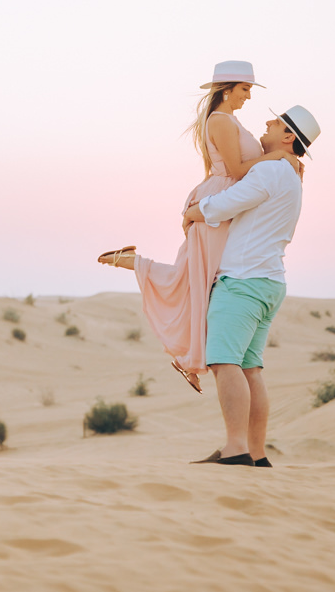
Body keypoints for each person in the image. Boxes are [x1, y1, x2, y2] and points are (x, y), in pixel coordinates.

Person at [97, 61, 300, 393]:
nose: (248, 97)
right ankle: (187, 350)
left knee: (202, 281)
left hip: (225, 202)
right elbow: (236, 170)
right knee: (198, 279)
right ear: (227, 89)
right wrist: (278, 157)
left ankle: (190, 356)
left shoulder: (229, 121)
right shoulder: (220, 120)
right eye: (245, 89)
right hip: (219, 202)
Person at [182, 105, 321, 467]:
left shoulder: (273, 170)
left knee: (224, 362)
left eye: (274, 124)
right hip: (268, 282)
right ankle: (257, 454)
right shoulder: (289, 175)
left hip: (243, 281)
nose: (266, 125)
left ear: (288, 137)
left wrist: (195, 210)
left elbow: (228, 203)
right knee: (249, 369)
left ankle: (235, 449)